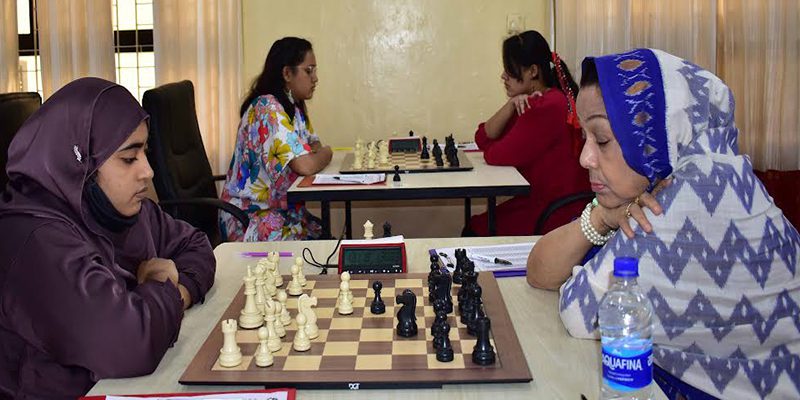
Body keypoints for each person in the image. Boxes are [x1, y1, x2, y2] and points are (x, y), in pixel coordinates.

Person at [527, 48, 800, 398]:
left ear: (653, 135)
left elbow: (579, 310)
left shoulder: (696, 196)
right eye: (585, 138)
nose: (585, 158)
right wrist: (603, 216)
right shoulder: (699, 177)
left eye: (603, 139)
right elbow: (540, 271)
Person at [0, 78, 216, 398]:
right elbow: (130, 342)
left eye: (145, 152)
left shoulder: (118, 207)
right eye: (129, 158)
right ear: (81, 163)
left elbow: (196, 245)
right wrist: (161, 286)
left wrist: (177, 292)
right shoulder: (36, 240)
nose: (148, 171)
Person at [467, 30, 589, 236]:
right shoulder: (538, 101)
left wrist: (495, 143)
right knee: (478, 224)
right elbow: (483, 137)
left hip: (555, 212)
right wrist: (510, 105)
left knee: (475, 229)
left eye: (510, 70)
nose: (503, 76)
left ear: (533, 71)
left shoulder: (547, 106)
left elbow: (494, 154)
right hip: (548, 202)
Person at [221, 37, 332, 241]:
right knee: (319, 248)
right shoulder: (268, 108)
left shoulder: (293, 106)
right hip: (251, 217)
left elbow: (313, 143)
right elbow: (306, 164)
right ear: (287, 73)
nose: (315, 78)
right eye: (309, 71)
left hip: (282, 211)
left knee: (326, 239)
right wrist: (328, 153)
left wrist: (316, 153)